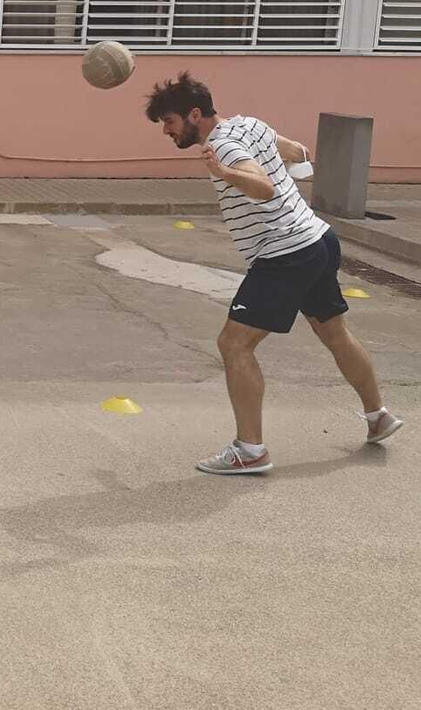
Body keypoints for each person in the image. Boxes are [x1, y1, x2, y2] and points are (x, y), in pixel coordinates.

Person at [144, 72, 403, 474]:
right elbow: (296, 150)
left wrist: (227, 173)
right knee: (334, 333)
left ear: (194, 114)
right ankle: (378, 416)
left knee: (234, 344)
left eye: (169, 121)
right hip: (317, 239)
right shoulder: (248, 124)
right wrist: (290, 162)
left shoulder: (223, 145)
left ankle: (250, 450)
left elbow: (263, 187)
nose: (166, 131)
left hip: (285, 253)